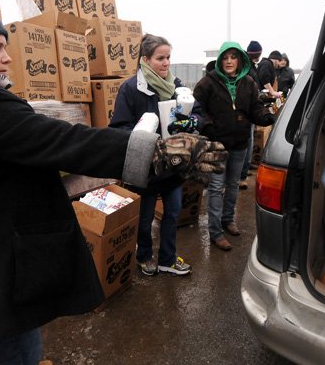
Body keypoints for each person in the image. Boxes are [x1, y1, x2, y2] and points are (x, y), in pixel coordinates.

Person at [0, 0, 226, 364]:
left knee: (3, 337)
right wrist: (155, 152)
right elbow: (61, 140)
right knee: (16, 343)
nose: (7, 57)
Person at [110, 34, 203, 277]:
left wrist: (190, 122)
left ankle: (167, 259)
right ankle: (144, 256)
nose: (166, 63)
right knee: (145, 216)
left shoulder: (177, 87)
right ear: (145, 60)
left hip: (172, 163)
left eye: (168, 57)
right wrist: (144, 136)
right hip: (145, 167)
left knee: (173, 212)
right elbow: (118, 128)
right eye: (160, 58)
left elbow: (199, 116)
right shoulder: (131, 89)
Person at [193, 41, 276, 251]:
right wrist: (208, 127)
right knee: (215, 187)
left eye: (233, 57)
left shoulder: (249, 83)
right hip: (217, 145)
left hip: (239, 143)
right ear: (220, 60)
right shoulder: (207, 83)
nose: (229, 61)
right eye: (225, 57)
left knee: (232, 185)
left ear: (241, 60)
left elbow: (255, 108)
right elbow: (197, 110)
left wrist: (266, 117)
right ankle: (215, 231)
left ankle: (227, 220)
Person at [239, 40, 263, 190]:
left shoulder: (250, 66)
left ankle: (241, 175)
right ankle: (241, 176)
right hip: (244, 111)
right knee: (247, 142)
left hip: (249, 110)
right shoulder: (246, 67)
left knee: (248, 142)